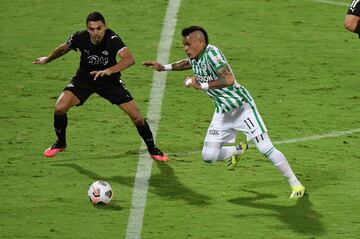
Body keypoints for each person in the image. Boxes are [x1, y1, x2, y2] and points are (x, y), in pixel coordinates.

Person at [143, 26, 305, 198]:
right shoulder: (195, 57)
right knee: (208, 156)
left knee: (265, 147)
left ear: (201, 42)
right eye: (184, 45)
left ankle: (296, 184)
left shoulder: (212, 54)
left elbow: (229, 79)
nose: (186, 48)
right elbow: (186, 63)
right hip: (222, 112)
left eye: (189, 44)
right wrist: (164, 67)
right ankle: (236, 151)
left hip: (242, 108)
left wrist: (203, 85)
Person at [33, 12, 168, 161]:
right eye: (91, 29)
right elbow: (63, 49)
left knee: (137, 118)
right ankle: (60, 143)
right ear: (87, 29)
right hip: (85, 79)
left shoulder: (112, 38)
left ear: (105, 27)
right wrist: (47, 59)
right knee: (59, 108)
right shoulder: (79, 37)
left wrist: (108, 71)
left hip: (110, 81)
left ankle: (153, 149)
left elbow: (129, 59)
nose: (95, 33)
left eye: (99, 28)